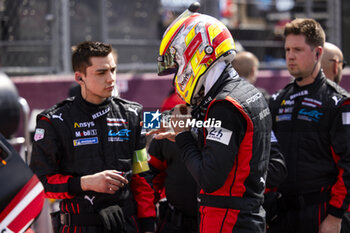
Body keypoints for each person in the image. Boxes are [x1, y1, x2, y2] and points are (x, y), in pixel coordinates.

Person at [149, 2, 271, 232]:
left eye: (177, 64)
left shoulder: (224, 105)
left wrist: (183, 136)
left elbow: (210, 179)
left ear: (196, 52)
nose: (177, 73)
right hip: (247, 215)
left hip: (229, 220)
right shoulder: (247, 92)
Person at [30, 41, 155, 233]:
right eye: (101, 72)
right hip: (78, 226)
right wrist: (86, 183)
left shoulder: (131, 114)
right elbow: (40, 184)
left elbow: (141, 176)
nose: (111, 79)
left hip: (125, 225)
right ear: (80, 78)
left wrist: (148, 225)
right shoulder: (54, 121)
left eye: (113, 70)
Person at [269, 18, 350, 233]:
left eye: (298, 49)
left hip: (321, 214)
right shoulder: (277, 100)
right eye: (287, 49)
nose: (290, 56)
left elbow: (349, 164)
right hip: (281, 214)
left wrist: (335, 216)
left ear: (317, 52)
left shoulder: (338, 102)